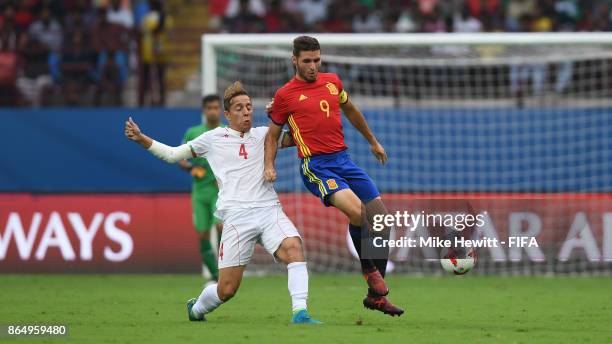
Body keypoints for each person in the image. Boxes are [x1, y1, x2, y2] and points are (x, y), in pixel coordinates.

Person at [124, 81, 321, 324]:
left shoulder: (264, 135)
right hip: (237, 218)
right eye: (239, 108)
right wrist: (141, 138)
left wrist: (284, 112)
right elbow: (173, 155)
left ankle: (300, 312)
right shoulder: (213, 138)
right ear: (227, 114)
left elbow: (303, 135)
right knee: (227, 289)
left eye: (248, 106)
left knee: (293, 248)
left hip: (269, 210)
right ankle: (196, 309)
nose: (246, 111)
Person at [264, 35, 403, 317]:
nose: (313, 66)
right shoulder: (285, 95)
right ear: (294, 60)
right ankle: (369, 272)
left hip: (344, 160)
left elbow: (350, 110)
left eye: (317, 60)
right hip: (316, 166)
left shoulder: (332, 82)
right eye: (307, 61)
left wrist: (372, 141)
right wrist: (269, 164)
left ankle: (377, 296)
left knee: (382, 221)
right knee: (356, 211)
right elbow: (272, 136)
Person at [178, 94, 224, 282]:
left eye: (216, 107)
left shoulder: (226, 131)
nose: (213, 111)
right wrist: (191, 168)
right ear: (204, 111)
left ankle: (225, 270)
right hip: (199, 191)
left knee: (222, 227)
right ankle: (215, 275)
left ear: (220, 110)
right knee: (203, 233)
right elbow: (181, 158)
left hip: (220, 191)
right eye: (209, 108)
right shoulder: (193, 132)